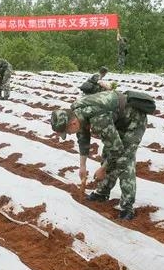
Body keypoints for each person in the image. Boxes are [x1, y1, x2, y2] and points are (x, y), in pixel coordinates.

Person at [50, 89, 155, 220]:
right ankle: (102, 193)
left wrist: (103, 169)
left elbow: (116, 149)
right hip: (117, 120)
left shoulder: (98, 119)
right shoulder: (75, 113)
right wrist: (82, 166)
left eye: (68, 132)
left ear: (73, 123)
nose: (69, 134)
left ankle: (127, 208)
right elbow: (83, 139)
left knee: (123, 160)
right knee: (107, 154)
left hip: (134, 120)